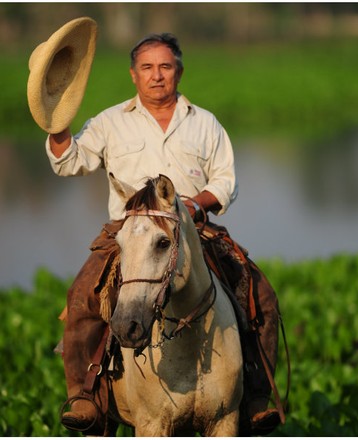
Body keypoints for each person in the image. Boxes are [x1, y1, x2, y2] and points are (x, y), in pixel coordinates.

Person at [41, 32, 282, 435]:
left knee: (261, 295)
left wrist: (193, 206)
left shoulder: (205, 123)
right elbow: (71, 162)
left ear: (179, 72)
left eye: (165, 67)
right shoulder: (109, 121)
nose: (157, 76)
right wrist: (57, 125)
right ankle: (86, 397)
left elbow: (225, 181)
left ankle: (256, 395)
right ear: (134, 75)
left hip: (193, 229)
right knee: (82, 297)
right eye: (148, 68)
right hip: (128, 233)